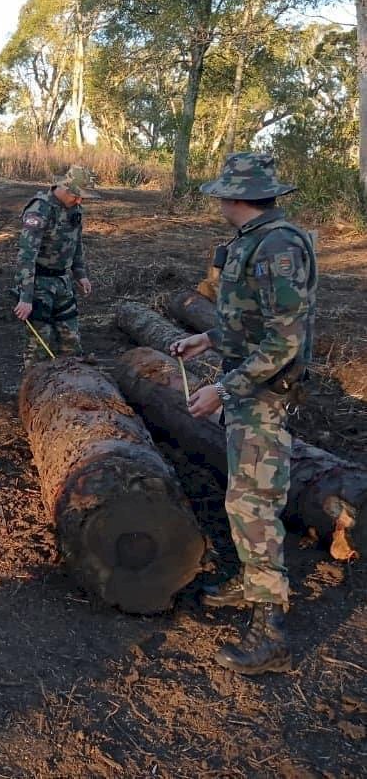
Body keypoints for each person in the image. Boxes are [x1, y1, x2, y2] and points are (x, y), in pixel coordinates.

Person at [170, 151, 317, 676]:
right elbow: (248, 323)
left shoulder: (277, 247)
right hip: (250, 387)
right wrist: (207, 339)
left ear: (232, 196)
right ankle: (251, 583)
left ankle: (271, 629)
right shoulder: (255, 240)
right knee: (244, 497)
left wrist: (223, 391)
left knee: (256, 503)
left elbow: (283, 341)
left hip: (263, 393)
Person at [12, 165, 99, 367]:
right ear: (65, 188)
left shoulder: (75, 209)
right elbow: (26, 255)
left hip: (62, 282)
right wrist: (26, 297)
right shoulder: (40, 209)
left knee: (71, 340)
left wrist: (80, 273)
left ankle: (72, 384)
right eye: (76, 196)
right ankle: (37, 389)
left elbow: (76, 243)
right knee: (40, 345)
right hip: (39, 283)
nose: (79, 201)